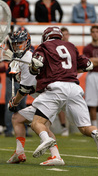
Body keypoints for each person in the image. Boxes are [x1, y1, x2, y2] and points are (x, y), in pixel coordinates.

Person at [29, 26, 98, 160]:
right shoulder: (70, 46)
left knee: (37, 123)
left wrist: (33, 67)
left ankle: (46, 139)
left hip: (56, 87)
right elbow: (88, 65)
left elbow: (36, 63)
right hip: (74, 88)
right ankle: (95, 132)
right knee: (84, 127)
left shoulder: (44, 47)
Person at [6, 29, 65, 166]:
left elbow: (25, 89)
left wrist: (14, 102)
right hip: (44, 98)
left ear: (27, 43)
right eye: (15, 44)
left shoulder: (27, 59)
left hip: (49, 97)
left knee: (42, 126)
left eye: (20, 43)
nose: (17, 46)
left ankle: (56, 156)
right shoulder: (22, 58)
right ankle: (19, 152)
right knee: (17, 118)